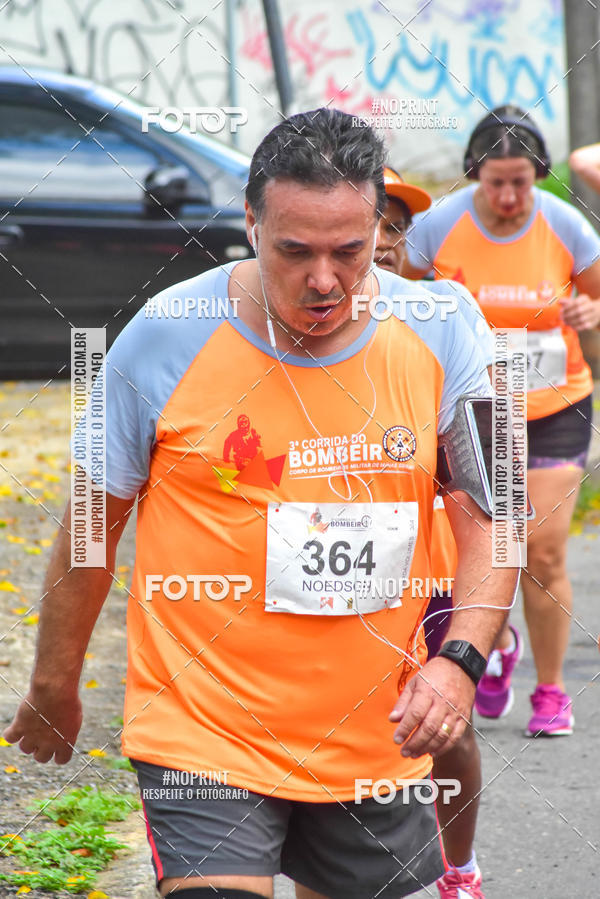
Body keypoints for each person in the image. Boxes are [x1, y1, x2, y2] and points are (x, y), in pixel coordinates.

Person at [4, 109, 517, 899]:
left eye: (348, 251)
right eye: (294, 250)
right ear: (250, 223)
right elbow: (89, 525)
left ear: (378, 227)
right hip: (204, 727)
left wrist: (460, 661)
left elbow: (496, 515)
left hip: (375, 735)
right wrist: (53, 679)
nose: (323, 279)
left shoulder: (447, 328)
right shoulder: (164, 333)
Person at [403, 104, 600, 738]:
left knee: (540, 551)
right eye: (497, 181)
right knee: (473, 549)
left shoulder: (568, 228)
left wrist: (587, 321)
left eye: (524, 181)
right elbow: (398, 312)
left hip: (553, 407)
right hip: (473, 416)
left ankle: (547, 689)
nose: (512, 195)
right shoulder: (436, 228)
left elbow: (598, 320)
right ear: (474, 175)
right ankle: (487, 644)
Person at [376, 166, 494, 898]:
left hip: (433, 571)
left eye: (394, 225)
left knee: (448, 728)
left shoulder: (444, 315)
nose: (383, 241)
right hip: (325, 581)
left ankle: (458, 867)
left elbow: (496, 484)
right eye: (370, 223)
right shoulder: (268, 326)